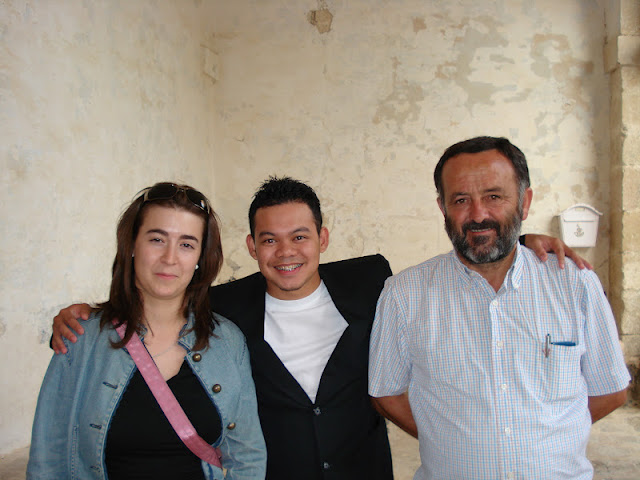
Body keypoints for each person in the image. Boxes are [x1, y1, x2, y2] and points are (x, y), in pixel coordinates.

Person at [50, 177, 588, 479]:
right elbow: (162, 290)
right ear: (251, 247)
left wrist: (524, 244)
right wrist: (85, 314)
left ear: (323, 238)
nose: (286, 252)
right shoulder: (226, 307)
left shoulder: (373, 282)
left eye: (300, 236)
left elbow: (454, 271)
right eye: (269, 240)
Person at [368, 137, 631, 480]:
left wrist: (550, 435)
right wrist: (445, 439)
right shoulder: (405, 295)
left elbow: (610, 390)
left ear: (524, 202)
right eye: (461, 200)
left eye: (494, 196)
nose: (478, 214)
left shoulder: (574, 284)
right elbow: (385, 393)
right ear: (443, 208)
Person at [28, 182, 266, 480]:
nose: (170, 258)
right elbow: (48, 460)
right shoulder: (81, 338)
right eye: (157, 239)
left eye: (187, 244)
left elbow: (247, 455)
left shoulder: (227, 341)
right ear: (131, 245)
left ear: (200, 259)